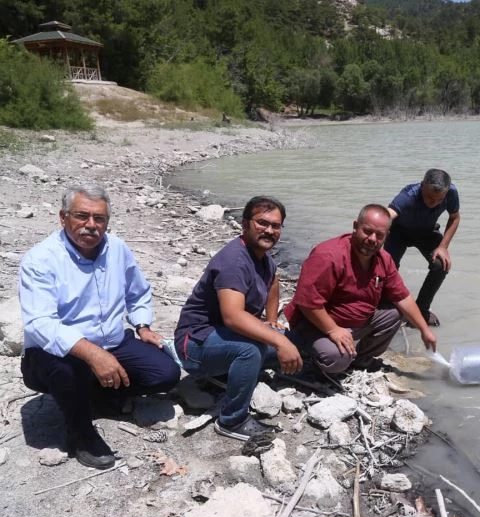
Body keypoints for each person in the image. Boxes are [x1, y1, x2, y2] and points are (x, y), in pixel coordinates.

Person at [19, 185, 180, 470]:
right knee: (67, 372)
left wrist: (142, 325)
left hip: (113, 340)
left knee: (166, 373)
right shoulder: (41, 259)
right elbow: (40, 323)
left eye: (99, 218)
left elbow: (138, 291)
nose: (91, 225)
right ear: (63, 217)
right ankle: (81, 433)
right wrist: (93, 354)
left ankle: (94, 394)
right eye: (82, 216)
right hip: (56, 351)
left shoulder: (117, 248)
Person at [174, 196, 302, 441]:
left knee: (289, 342)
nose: (269, 230)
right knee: (251, 350)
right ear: (245, 224)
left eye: (276, 226)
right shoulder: (234, 260)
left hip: (223, 336)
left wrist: (272, 319)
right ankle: (232, 420)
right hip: (194, 343)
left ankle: (227, 374)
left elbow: (273, 280)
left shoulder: (264, 257)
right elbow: (233, 317)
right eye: (262, 223)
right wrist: (280, 342)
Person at [284, 204, 436, 375]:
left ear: (387, 236)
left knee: (395, 313)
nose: (372, 239)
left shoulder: (384, 259)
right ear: (355, 226)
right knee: (337, 359)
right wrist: (333, 330)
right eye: (367, 231)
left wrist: (424, 330)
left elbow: (402, 297)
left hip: (355, 323)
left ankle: (360, 360)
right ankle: (306, 349)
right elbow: (307, 303)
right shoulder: (328, 256)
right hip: (313, 323)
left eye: (379, 235)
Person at [385, 168, 460, 327]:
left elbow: (454, 217)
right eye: (428, 197)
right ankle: (387, 305)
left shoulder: (451, 192)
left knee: (441, 265)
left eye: (437, 200)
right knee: (386, 267)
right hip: (399, 232)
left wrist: (443, 246)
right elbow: (387, 215)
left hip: (426, 232)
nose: (431, 203)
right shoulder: (408, 195)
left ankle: (421, 309)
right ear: (421, 186)